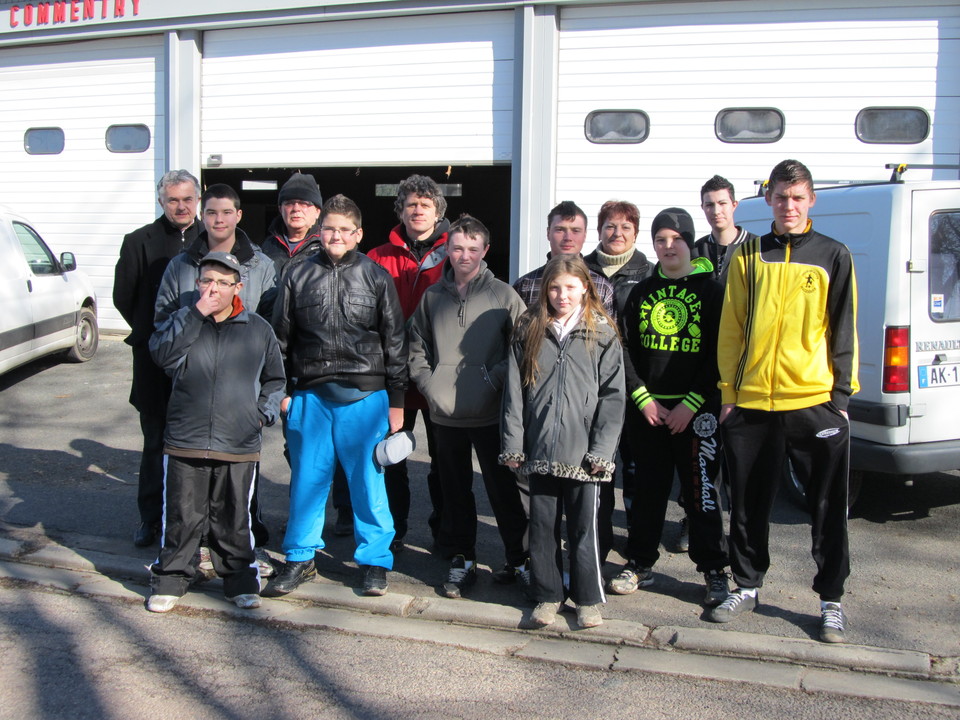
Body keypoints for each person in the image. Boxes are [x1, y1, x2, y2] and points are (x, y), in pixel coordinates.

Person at [709, 159, 859, 644]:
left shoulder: (833, 254)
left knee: (826, 505)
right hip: (752, 402)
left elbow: (844, 327)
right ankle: (747, 585)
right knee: (747, 502)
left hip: (813, 400)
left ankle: (831, 599)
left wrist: (841, 397)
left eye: (797, 197)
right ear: (768, 199)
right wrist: (729, 394)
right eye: (779, 197)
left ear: (811, 199)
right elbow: (731, 328)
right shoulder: (749, 256)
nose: (788, 205)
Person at [266, 194, 407, 598]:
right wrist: (283, 392)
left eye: (345, 230)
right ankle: (300, 557)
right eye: (329, 229)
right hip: (310, 397)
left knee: (367, 484)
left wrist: (397, 402)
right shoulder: (297, 274)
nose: (336, 236)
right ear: (319, 231)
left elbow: (395, 342)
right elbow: (279, 339)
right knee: (307, 482)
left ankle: (374, 561)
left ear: (359, 234)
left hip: (366, 398)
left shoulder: (376, 277)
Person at [145, 251, 285, 613]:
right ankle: (170, 580)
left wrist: (260, 415)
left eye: (223, 282)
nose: (214, 288)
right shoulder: (184, 319)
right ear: (197, 284)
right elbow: (161, 355)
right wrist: (195, 315)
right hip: (186, 440)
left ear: (238, 287)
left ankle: (240, 582)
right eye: (207, 280)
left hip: (238, 441)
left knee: (234, 519)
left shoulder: (258, 329)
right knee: (181, 517)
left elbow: (276, 380)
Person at [153, 183, 280, 577]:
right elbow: (162, 330)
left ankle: (240, 558)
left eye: (226, 212)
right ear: (202, 215)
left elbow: (271, 338)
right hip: (193, 395)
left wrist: (260, 410)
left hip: (239, 402)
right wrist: (184, 367)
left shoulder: (261, 266)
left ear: (238, 215)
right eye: (211, 212)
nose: (219, 219)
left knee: (236, 495)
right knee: (185, 495)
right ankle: (186, 559)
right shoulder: (181, 266)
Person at [608, 208, 730, 607]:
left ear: (689, 243)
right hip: (649, 413)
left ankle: (714, 570)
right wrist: (643, 398)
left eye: (676, 239)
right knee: (647, 492)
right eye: (660, 239)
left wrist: (690, 404)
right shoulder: (640, 291)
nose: (668, 246)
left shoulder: (713, 292)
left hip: (696, 413)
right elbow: (623, 348)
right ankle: (639, 562)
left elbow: (720, 353)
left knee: (701, 496)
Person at [407, 215, 529, 598]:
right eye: (457, 248)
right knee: (454, 492)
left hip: (490, 414)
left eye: (473, 249)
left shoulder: (503, 296)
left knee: (504, 491)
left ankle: (520, 560)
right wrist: (429, 383)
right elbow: (416, 345)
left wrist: (493, 379)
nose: (464, 256)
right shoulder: (432, 297)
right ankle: (463, 559)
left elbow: (523, 347)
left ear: (485, 250)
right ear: (446, 248)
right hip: (445, 416)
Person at [501, 256, 625, 630]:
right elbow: (514, 391)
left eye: (570, 287)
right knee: (542, 527)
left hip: (584, 453)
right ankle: (547, 595)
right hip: (539, 447)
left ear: (585, 287)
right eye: (555, 288)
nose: (562, 295)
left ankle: (587, 599)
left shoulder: (602, 333)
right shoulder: (529, 328)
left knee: (584, 530)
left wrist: (602, 450)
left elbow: (613, 397)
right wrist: (514, 442)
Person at [262, 173, 353, 537]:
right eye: (289, 203)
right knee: (299, 446)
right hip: (290, 365)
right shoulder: (263, 252)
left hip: (334, 366)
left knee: (343, 443)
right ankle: (303, 514)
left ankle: (346, 510)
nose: (295, 209)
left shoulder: (331, 246)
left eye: (304, 203)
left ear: (317, 212)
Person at [114, 170, 201, 548]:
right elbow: (124, 296)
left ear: (197, 200)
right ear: (161, 201)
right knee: (155, 442)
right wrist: (152, 335)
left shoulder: (210, 237)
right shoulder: (138, 242)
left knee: (197, 446)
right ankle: (150, 518)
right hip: (153, 361)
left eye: (187, 199)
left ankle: (196, 521)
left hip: (199, 359)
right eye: (173, 200)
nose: (181, 207)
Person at [366, 175, 447, 550]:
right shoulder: (377, 257)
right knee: (389, 457)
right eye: (411, 204)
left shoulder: (454, 253)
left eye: (425, 204)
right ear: (400, 210)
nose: (418, 210)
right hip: (391, 376)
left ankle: (445, 531)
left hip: (438, 375)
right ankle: (392, 530)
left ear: (437, 212)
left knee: (444, 462)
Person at [583, 200, 651, 556]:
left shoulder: (649, 273)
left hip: (636, 384)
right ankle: (599, 542)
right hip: (593, 386)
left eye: (626, 227)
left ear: (636, 233)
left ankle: (638, 545)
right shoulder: (582, 270)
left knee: (636, 469)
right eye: (610, 226)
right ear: (599, 231)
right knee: (598, 466)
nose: (617, 233)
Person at [513, 201, 617, 320]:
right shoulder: (525, 285)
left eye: (575, 230)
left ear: (585, 235)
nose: (568, 238)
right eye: (560, 230)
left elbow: (609, 331)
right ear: (548, 233)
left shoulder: (602, 287)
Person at [693, 174, 758, 283]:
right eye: (709, 205)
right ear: (702, 207)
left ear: (734, 205)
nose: (716, 211)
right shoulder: (695, 251)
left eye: (722, 203)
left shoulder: (756, 247)